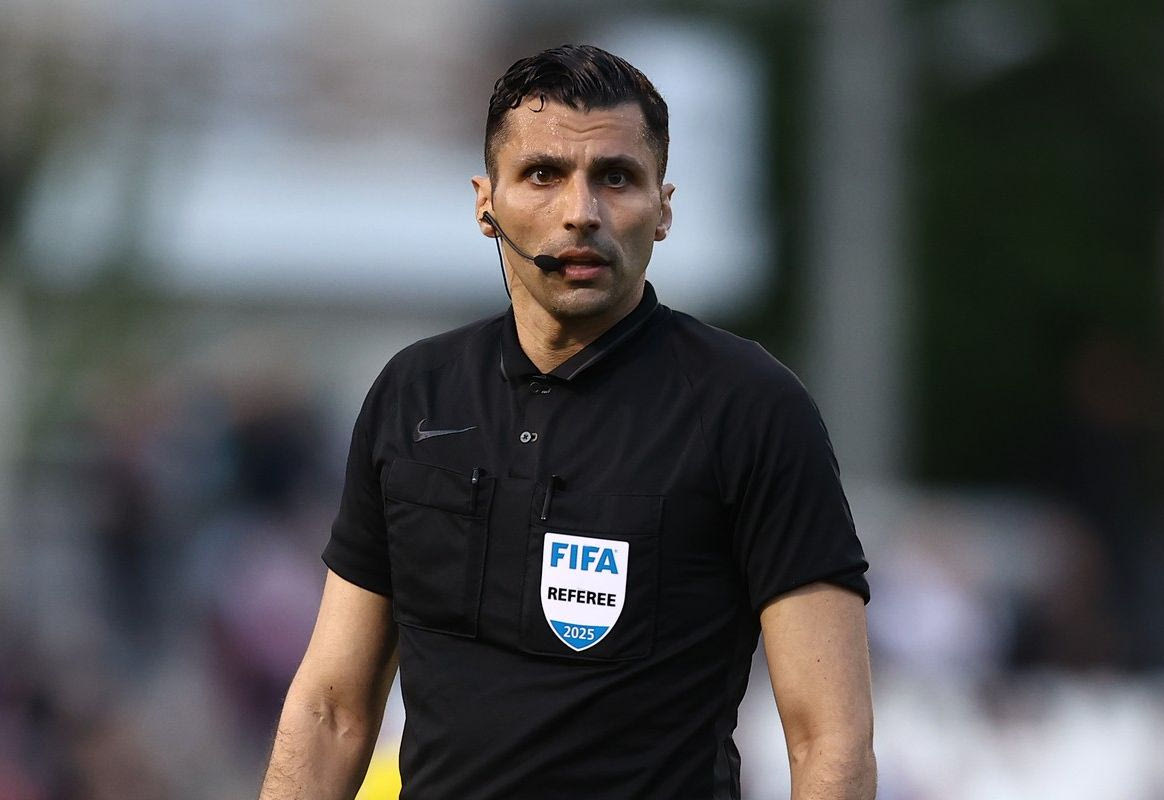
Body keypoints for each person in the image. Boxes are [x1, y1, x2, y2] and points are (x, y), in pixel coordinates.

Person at [259, 44, 875, 800]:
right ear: (486, 203)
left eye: (616, 177)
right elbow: (331, 710)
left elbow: (829, 740)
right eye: (543, 174)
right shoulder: (413, 393)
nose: (582, 212)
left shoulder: (749, 406)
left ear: (663, 208)